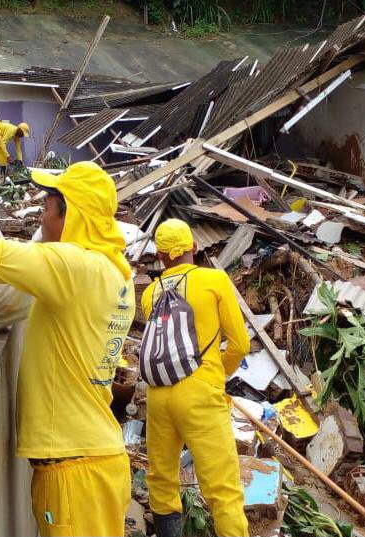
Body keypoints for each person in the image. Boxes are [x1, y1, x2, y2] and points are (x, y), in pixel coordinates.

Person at [0, 161, 135, 537]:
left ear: (69, 214)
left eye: (46, 209)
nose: (41, 220)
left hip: (74, 470)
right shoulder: (115, 273)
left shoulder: (72, 266)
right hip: (97, 457)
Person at [140, 218, 251, 537]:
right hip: (200, 392)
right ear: (194, 247)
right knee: (223, 490)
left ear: (161, 256)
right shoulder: (214, 280)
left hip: (159, 394)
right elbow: (240, 343)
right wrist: (216, 373)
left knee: (161, 480)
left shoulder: (150, 293)